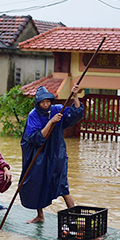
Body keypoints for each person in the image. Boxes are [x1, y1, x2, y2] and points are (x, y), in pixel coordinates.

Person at [20, 84, 84, 224]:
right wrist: (50, 122)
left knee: (63, 185)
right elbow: (36, 138)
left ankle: (75, 217)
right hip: (40, 156)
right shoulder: (33, 115)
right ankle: (40, 215)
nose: (46, 104)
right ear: (38, 103)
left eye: (48, 101)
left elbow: (75, 113)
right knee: (37, 183)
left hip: (57, 154)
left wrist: (75, 96)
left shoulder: (56, 109)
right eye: (43, 102)